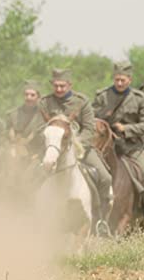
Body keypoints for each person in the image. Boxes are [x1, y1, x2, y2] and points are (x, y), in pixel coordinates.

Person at [39, 68, 112, 225]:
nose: (59, 89)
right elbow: (41, 128)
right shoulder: (45, 102)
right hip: (52, 149)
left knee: (105, 177)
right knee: (28, 174)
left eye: (62, 86)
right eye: (56, 85)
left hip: (80, 149)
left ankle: (101, 220)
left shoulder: (82, 101)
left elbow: (89, 128)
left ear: (70, 85)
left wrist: (77, 145)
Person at [92, 62, 144, 227]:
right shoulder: (102, 96)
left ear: (130, 79)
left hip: (132, 147)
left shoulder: (139, 98)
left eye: (123, 80)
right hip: (106, 145)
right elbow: (91, 119)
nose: (119, 83)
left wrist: (126, 128)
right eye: (117, 80)